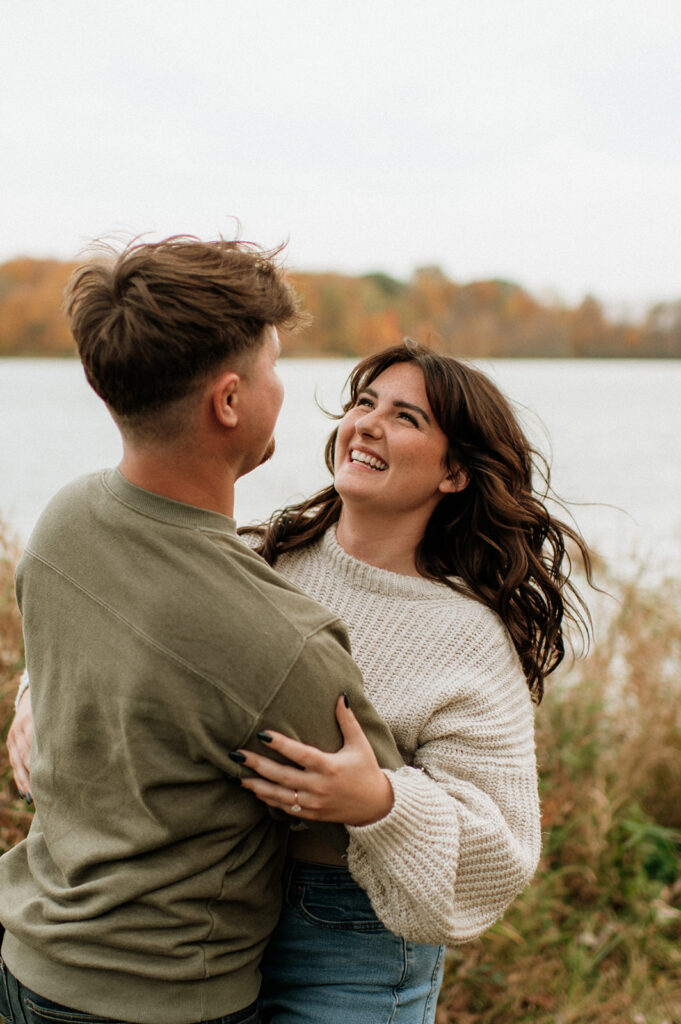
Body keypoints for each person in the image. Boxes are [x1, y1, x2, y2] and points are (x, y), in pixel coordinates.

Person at [10, 340, 592, 1023]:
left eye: (405, 418)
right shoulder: (265, 555)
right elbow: (131, 641)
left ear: (455, 473)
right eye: (363, 403)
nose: (366, 423)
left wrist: (378, 799)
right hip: (212, 912)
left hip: (351, 935)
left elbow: (502, 851)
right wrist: (35, 694)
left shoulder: (466, 633)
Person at [0, 236, 403, 1024]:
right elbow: (362, 836)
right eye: (274, 366)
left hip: (28, 959)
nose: (282, 388)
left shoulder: (64, 520)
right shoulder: (281, 639)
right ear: (228, 401)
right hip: (160, 999)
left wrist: (30, 695)